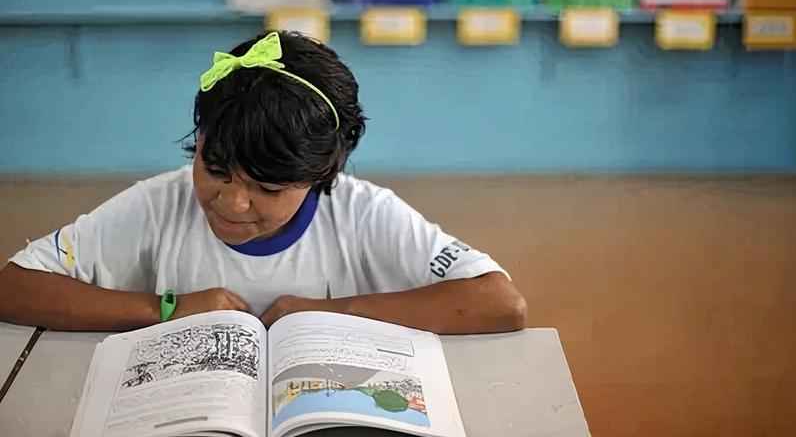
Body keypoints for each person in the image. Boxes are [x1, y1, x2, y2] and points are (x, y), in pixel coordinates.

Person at [0, 30, 526, 334]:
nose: (231, 202)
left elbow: (500, 304)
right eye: (213, 168)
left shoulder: (363, 214)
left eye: (269, 189)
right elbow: (12, 286)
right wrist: (168, 309)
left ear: (322, 176)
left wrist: (326, 313)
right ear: (199, 140)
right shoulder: (159, 205)